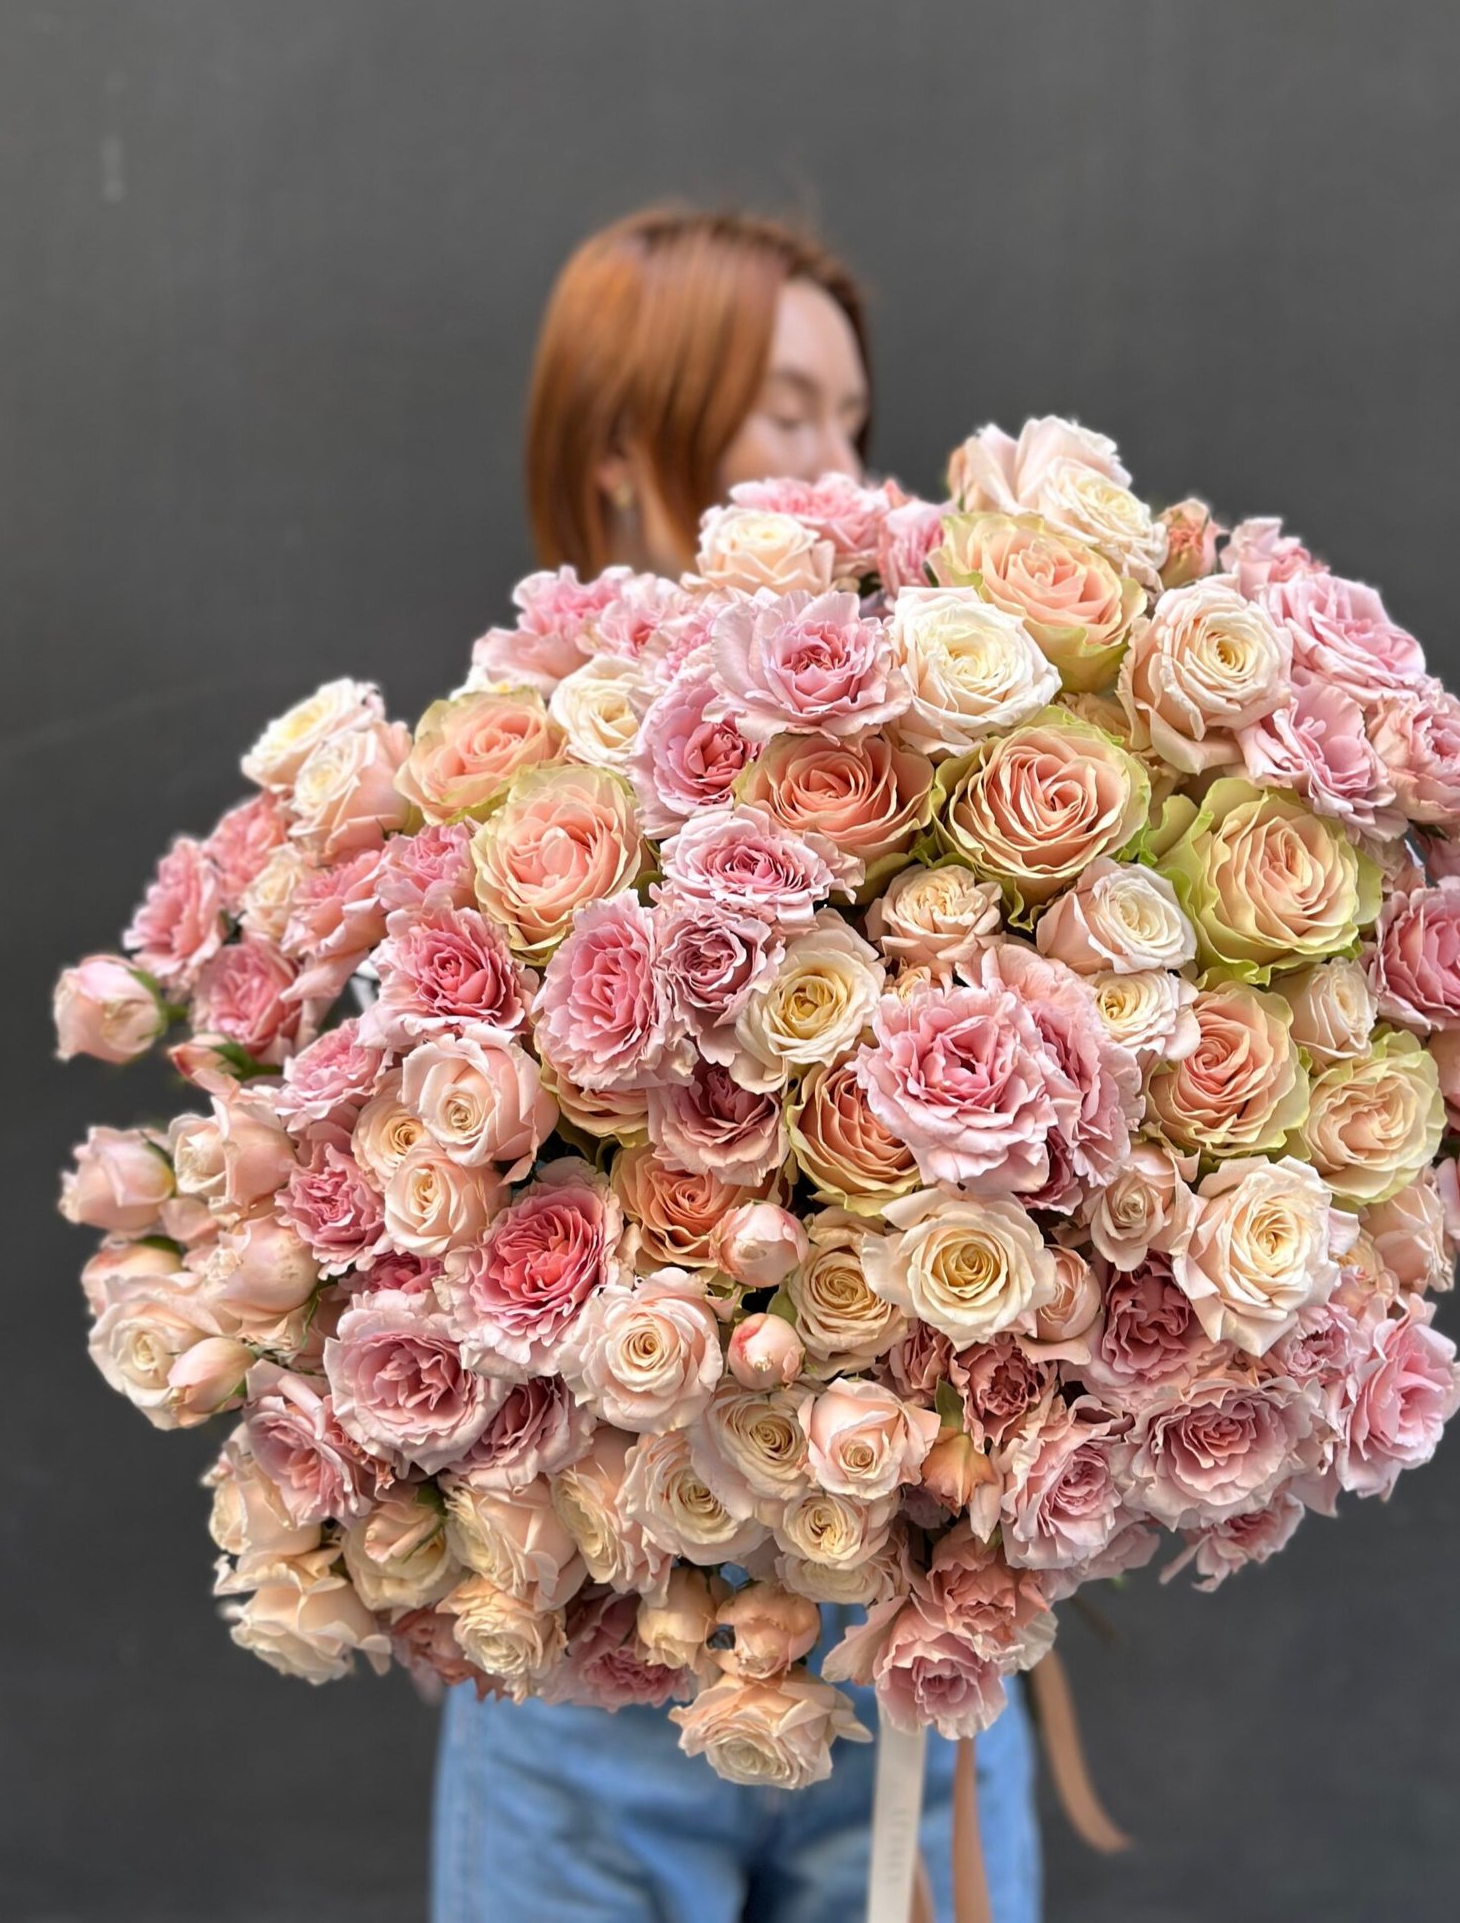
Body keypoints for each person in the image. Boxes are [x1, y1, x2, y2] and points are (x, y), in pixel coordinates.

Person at [429, 205, 1043, 1923]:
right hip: (595, 1684)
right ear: (626, 450)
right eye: (788, 413)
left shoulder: (948, 780)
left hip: (900, 1672)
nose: (840, 465)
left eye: (852, 417)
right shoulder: (489, 809)